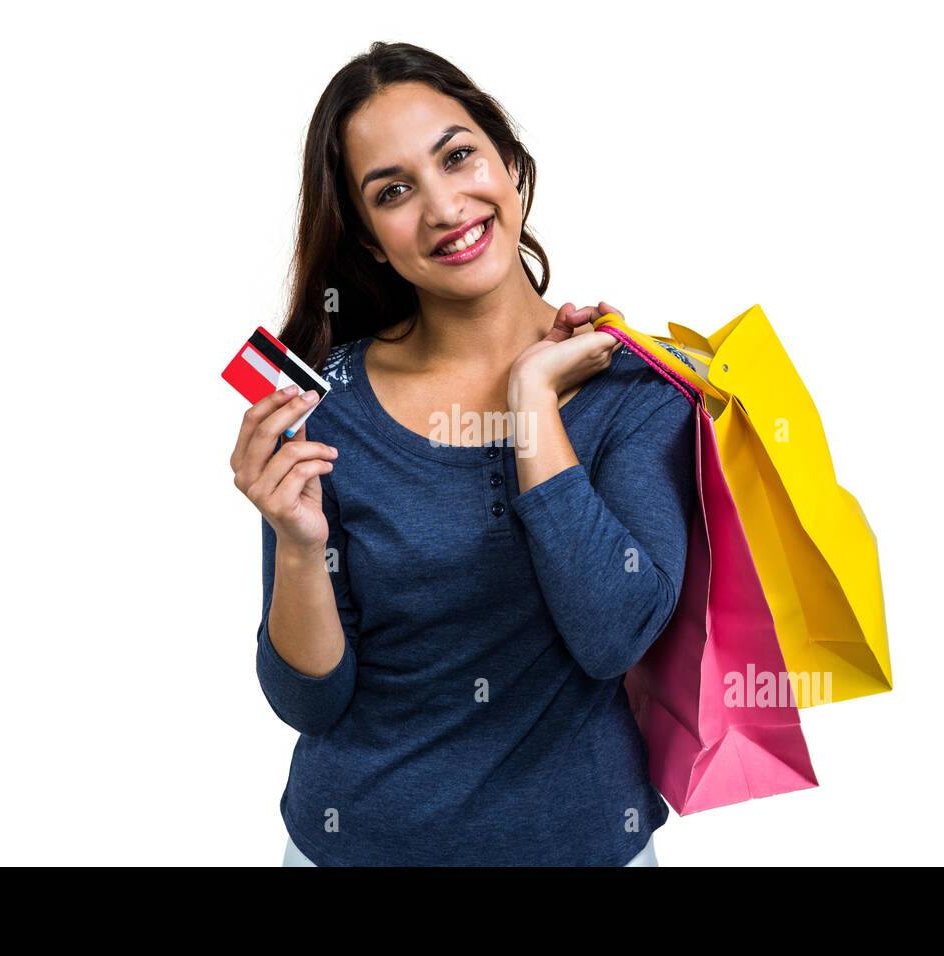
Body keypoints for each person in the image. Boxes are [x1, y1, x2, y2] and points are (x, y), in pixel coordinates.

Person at [229, 41, 695, 866]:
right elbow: (311, 701)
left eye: (458, 156)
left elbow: (613, 635)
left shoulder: (639, 389)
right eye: (395, 191)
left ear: (510, 166)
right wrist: (301, 550)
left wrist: (529, 405)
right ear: (370, 239)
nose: (444, 207)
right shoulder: (323, 408)